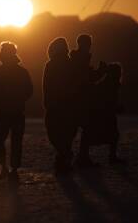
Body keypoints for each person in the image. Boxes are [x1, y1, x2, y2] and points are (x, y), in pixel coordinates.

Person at [0, 41, 33, 182]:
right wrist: (19, 99)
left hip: (5, 112)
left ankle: (5, 168)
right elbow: (29, 91)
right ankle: (12, 169)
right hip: (16, 112)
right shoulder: (22, 72)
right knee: (16, 141)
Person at [69, 34, 106, 168]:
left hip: (79, 100)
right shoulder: (80, 59)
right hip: (80, 101)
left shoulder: (77, 59)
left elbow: (87, 79)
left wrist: (99, 72)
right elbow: (86, 80)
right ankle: (79, 158)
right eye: (88, 43)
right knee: (84, 129)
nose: (89, 46)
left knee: (82, 129)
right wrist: (100, 72)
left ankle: (79, 158)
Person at [82, 63, 125, 164]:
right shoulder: (108, 85)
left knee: (113, 135)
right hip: (102, 115)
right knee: (106, 135)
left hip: (105, 115)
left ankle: (111, 156)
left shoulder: (111, 85)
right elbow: (105, 101)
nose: (119, 75)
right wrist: (115, 108)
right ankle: (85, 157)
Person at [43, 37, 74, 175]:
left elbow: (46, 86)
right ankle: (64, 157)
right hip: (67, 105)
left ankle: (63, 157)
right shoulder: (70, 64)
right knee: (66, 134)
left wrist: (47, 102)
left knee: (55, 134)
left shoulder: (51, 64)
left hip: (56, 105)